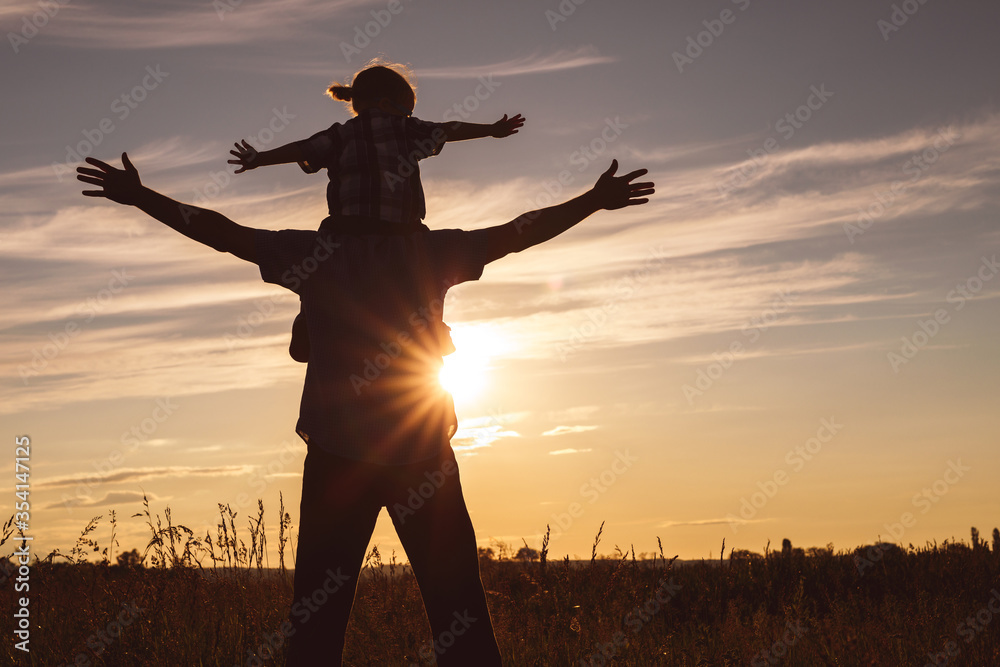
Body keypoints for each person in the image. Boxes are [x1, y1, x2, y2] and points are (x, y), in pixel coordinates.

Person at [76, 153, 653, 666]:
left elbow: (223, 232)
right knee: (459, 617)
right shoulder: (432, 250)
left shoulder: (317, 252)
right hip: (420, 454)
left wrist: (142, 197)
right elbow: (519, 231)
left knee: (319, 625)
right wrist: (593, 201)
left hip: (340, 455)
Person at [227, 60, 524, 362]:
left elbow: (302, 149)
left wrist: (259, 158)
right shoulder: (407, 129)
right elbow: (449, 130)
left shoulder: (339, 134)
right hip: (402, 230)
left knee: (324, 268)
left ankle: (310, 316)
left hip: (345, 230)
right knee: (420, 271)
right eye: (408, 111)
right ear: (387, 104)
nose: (410, 117)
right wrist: (490, 130)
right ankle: (429, 325)